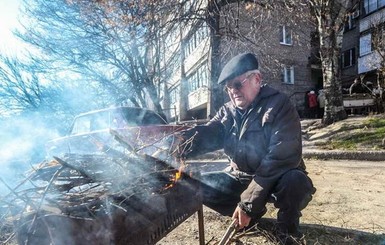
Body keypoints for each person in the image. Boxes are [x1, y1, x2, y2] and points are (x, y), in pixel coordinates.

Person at [173, 53, 315, 244]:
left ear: (257, 79)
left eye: (238, 84)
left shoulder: (279, 105)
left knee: (295, 181)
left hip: (277, 176)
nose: (233, 91)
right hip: (241, 176)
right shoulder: (227, 111)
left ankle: (287, 231)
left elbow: (281, 158)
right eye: (228, 87)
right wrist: (177, 143)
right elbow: (209, 134)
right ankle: (250, 218)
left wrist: (248, 205)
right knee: (197, 186)